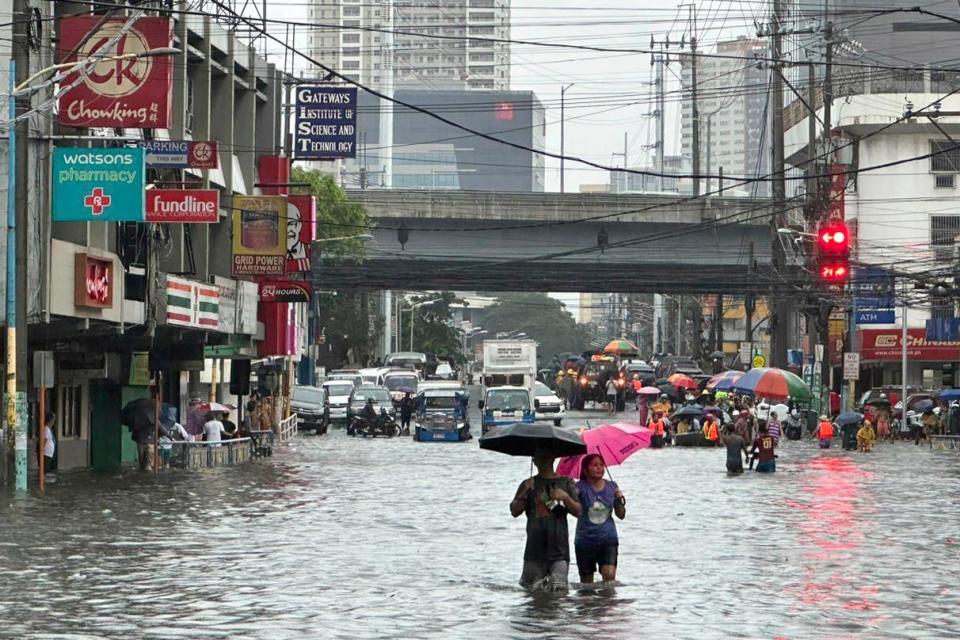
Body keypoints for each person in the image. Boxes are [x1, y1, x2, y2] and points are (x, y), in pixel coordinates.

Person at [510, 447, 582, 591]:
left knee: (558, 593)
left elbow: (580, 512)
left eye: (547, 456)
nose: (544, 459)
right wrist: (525, 490)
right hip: (534, 550)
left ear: (554, 458)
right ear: (534, 460)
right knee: (532, 594)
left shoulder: (566, 482)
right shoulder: (527, 483)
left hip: (559, 550)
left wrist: (565, 497)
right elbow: (514, 511)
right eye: (540, 456)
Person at [574, 454, 625, 585]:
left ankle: (605, 604)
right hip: (585, 541)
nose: (599, 468)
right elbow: (574, 510)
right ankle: (593, 605)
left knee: (609, 577)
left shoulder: (612, 486)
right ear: (585, 470)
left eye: (601, 465)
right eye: (595, 465)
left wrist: (619, 499)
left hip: (608, 539)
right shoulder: (579, 487)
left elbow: (621, 515)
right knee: (587, 584)